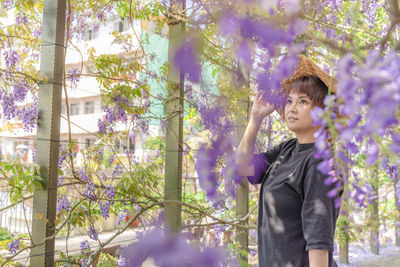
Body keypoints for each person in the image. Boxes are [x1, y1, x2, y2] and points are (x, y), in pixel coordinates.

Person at [236, 55, 342, 267]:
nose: (291, 108)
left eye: (303, 101)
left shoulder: (320, 163)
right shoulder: (287, 149)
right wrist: (255, 120)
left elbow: (319, 242)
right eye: (289, 100)